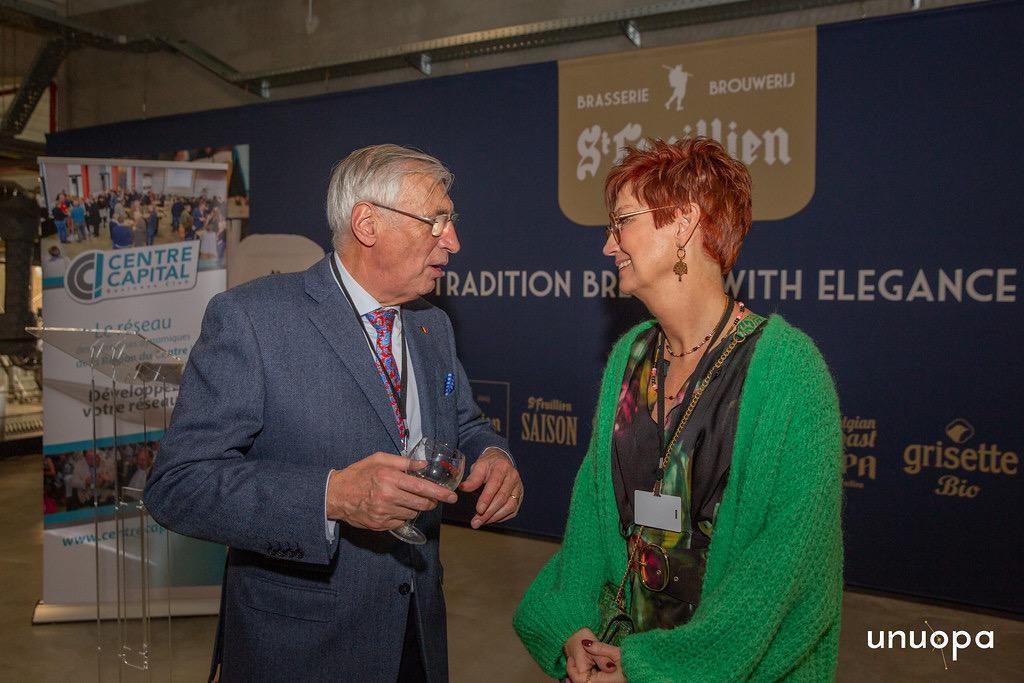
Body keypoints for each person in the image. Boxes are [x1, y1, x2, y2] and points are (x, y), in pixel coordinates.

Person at [144, 144, 525, 682]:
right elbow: (178, 485)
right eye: (436, 221)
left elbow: (464, 422)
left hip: (416, 632)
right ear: (367, 223)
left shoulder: (430, 326)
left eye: (452, 222)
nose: (454, 241)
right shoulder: (253, 319)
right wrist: (332, 497)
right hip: (301, 648)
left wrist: (491, 453)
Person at [514, 138, 843, 681]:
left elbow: (782, 571)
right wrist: (572, 625)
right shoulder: (630, 355)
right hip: (613, 651)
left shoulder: (789, 372)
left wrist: (656, 668)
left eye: (622, 222)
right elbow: (593, 519)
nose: (608, 245)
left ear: (685, 223)